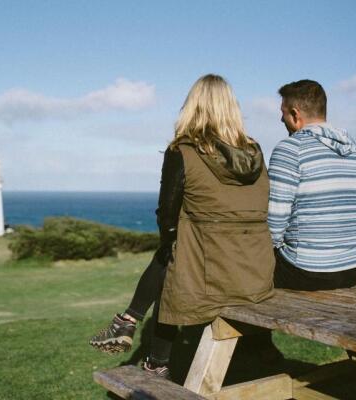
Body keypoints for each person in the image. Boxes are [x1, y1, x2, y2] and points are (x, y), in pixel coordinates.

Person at [90, 74, 275, 377]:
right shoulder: (255, 153)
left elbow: (167, 217)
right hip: (255, 275)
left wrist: (175, 244)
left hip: (209, 277)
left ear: (193, 106)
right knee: (178, 258)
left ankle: (146, 349)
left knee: (174, 259)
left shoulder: (183, 151)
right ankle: (138, 338)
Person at [269, 79, 356, 290]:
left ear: (296, 115)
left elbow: (273, 226)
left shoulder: (290, 149)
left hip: (307, 270)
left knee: (238, 266)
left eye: (284, 113)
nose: (281, 119)